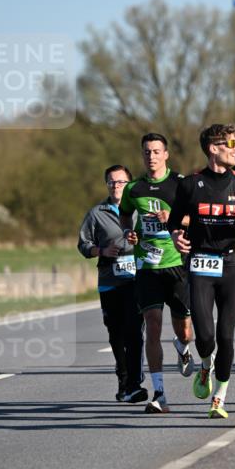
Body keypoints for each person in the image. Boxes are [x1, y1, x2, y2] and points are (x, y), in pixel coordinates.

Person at [168, 123, 235, 419]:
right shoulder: (190, 184)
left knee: (226, 335)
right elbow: (174, 222)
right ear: (214, 149)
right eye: (231, 143)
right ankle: (205, 364)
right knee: (205, 337)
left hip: (231, 263)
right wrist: (176, 236)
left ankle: (219, 398)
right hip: (200, 262)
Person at [119, 133, 195, 415]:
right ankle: (159, 394)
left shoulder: (181, 184)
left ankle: (184, 347)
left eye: (155, 151)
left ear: (166, 155)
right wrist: (128, 231)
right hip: (147, 267)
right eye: (146, 152)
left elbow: (195, 217)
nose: (151, 156)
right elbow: (125, 214)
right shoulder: (134, 189)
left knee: (184, 330)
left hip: (176, 264)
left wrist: (173, 219)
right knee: (152, 324)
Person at [77, 165, 147, 403]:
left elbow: (156, 236)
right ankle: (123, 376)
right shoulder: (96, 213)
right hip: (110, 282)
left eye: (120, 182)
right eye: (111, 182)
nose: (116, 186)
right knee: (116, 333)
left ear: (129, 184)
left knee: (134, 331)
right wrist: (102, 250)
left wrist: (140, 240)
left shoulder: (140, 208)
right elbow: (83, 245)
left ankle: (134, 381)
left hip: (137, 280)